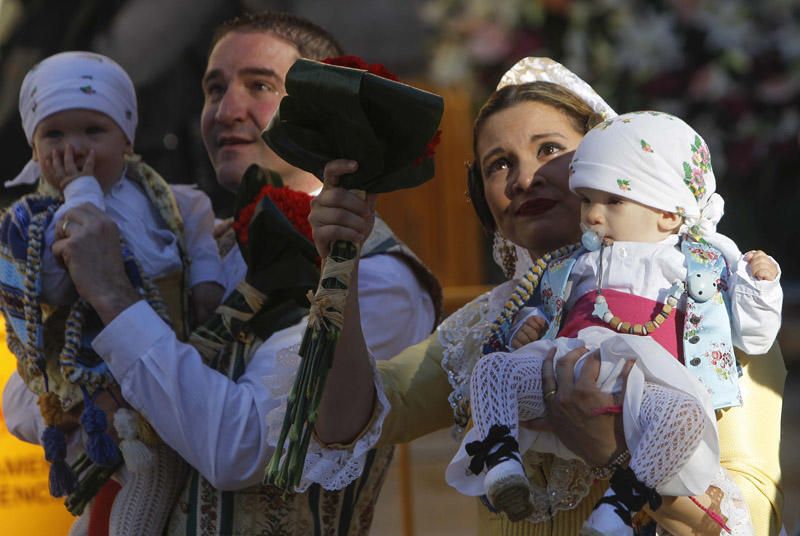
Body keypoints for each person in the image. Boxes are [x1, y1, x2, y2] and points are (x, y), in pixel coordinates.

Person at [305, 57, 786, 535]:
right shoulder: (487, 328)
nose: (524, 179)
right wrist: (339, 267)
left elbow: (752, 521)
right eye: (499, 165)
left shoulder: (709, 305)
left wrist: (613, 449)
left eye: (550, 150)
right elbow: (344, 421)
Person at [2, 11, 440, 536]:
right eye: (213, 89)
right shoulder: (192, 237)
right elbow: (24, 404)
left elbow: (240, 451)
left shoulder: (379, 274)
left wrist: (114, 296)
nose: (225, 111)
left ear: (325, 111)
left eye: (259, 85)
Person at [445, 111, 781, 535]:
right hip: (565, 362)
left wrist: (761, 285)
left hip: (645, 388)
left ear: (668, 214)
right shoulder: (571, 265)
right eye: (587, 199)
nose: (594, 216)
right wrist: (528, 324)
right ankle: (500, 462)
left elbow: (755, 333)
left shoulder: (696, 264)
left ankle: (619, 504)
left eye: (613, 201)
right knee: (493, 368)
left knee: (684, 416)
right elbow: (549, 309)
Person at [0, 50, 225, 535]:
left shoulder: (165, 197)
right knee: (140, 480)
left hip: (170, 360)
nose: (74, 148)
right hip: (97, 376)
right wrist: (80, 190)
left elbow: (200, 225)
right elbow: (64, 282)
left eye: (92, 132)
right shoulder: (37, 221)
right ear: (33, 149)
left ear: (127, 138)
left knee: (138, 489)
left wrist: (208, 279)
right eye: (54, 135)